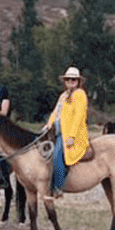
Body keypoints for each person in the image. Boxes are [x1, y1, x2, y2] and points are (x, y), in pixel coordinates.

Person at [40, 66, 93, 199]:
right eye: (68, 79)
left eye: (73, 79)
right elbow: (55, 112)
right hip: (58, 131)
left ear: (78, 81)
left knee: (58, 154)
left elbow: (79, 117)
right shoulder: (63, 96)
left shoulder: (80, 94)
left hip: (71, 135)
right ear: (65, 81)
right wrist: (48, 124)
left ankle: (58, 187)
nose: (71, 81)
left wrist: (72, 137)